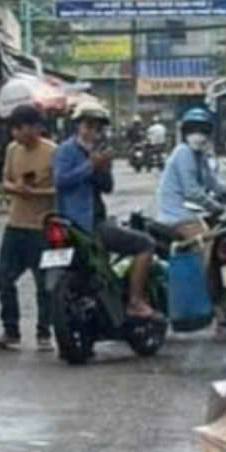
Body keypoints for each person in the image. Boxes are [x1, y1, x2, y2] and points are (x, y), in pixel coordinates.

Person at [54, 101, 159, 321]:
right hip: (82, 224)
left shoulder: (99, 152)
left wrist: (102, 167)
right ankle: (136, 302)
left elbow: (107, 187)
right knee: (146, 244)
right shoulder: (66, 150)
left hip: (96, 218)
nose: (92, 131)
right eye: (88, 126)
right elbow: (61, 181)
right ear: (78, 126)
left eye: (97, 127)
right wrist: (89, 166)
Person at [0, 104, 58, 351]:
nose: (16, 134)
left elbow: (60, 189)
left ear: (36, 128)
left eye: (21, 128)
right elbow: (5, 181)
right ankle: (11, 330)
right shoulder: (12, 150)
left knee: (44, 284)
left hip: (41, 227)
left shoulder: (52, 152)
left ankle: (44, 333)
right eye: (14, 129)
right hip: (15, 224)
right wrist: (16, 188)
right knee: (3, 279)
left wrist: (37, 193)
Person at [154, 107, 226, 239]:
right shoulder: (183, 152)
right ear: (185, 133)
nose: (198, 135)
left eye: (203, 131)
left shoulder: (199, 155)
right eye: (193, 130)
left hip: (189, 212)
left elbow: (212, 182)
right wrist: (217, 207)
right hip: (176, 216)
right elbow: (191, 192)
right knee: (210, 243)